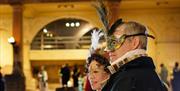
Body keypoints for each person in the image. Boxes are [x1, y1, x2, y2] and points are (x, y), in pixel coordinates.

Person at [102, 19, 167, 91]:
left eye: (115, 42)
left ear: (134, 43)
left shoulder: (127, 79)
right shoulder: (153, 76)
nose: (108, 50)